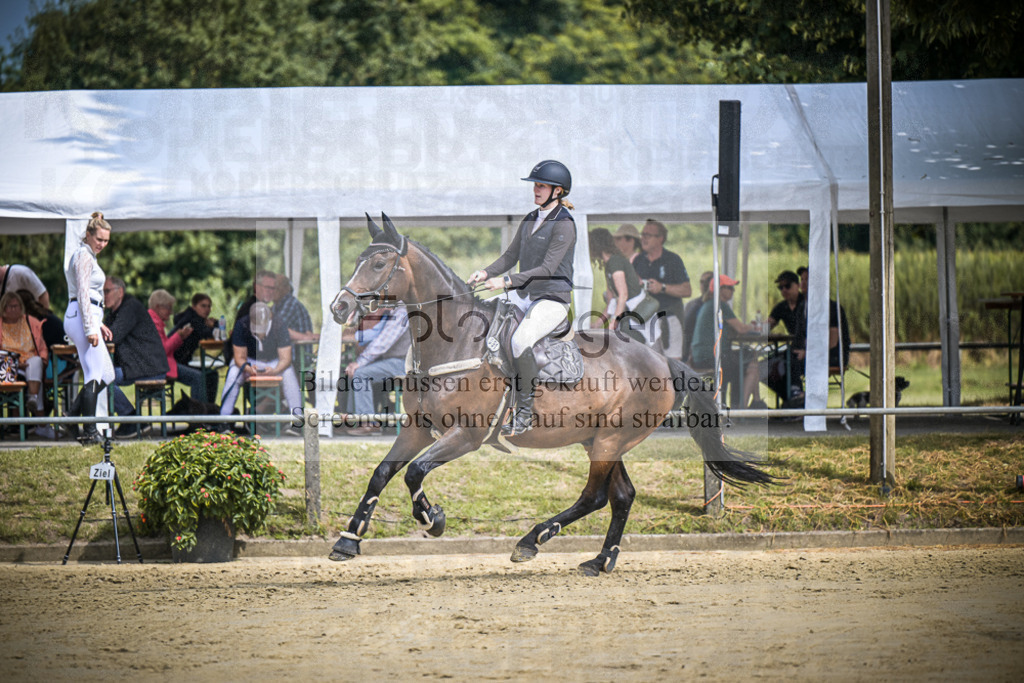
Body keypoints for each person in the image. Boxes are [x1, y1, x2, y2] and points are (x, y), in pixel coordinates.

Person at [467, 159, 576, 436]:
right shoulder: (530, 218)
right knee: (483, 324)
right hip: (525, 295)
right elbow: (510, 256)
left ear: (558, 191)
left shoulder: (564, 224)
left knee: (519, 340)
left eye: (541, 186)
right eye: (535, 185)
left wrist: (504, 281)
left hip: (552, 298)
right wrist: (484, 272)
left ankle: (525, 413)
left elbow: (547, 269)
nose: (536, 190)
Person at [62, 212, 116, 445]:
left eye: (106, 240)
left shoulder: (90, 256)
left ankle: (73, 418)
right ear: (88, 235)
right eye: (99, 239)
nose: (102, 244)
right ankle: (89, 431)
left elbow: (91, 296)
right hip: (81, 317)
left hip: (89, 316)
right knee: (94, 373)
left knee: (108, 374)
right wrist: (90, 327)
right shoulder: (83, 255)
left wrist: (99, 323)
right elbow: (83, 292)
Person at [103, 276, 170, 436]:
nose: (103, 295)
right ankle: (131, 420)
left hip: (149, 367)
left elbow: (112, 336)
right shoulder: (114, 312)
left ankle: (132, 420)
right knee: (101, 379)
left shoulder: (130, 307)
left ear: (120, 292)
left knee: (104, 380)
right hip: (137, 366)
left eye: (106, 291)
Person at [690, 275, 765, 410]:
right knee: (751, 365)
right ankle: (742, 409)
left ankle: (743, 405)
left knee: (743, 361)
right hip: (713, 357)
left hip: (701, 357)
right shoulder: (720, 304)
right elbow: (741, 328)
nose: (733, 291)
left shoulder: (708, 304)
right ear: (720, 289)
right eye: (730, 288)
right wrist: (756, 326)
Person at [219, 302, 302, 421]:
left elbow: (286, 358)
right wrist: (248, 369)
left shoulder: (279, 324)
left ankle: (297, 419)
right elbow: (239, 357)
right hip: (250, 360)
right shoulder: (242, 324)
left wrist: (275, 370)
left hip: (274, 361)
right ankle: (224, 418)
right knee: (233, 373)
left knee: (289, 373)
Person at [342, 306, 410, 437]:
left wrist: (359, 362)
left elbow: (383, 343)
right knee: (355, 371)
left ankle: (369, 424)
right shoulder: (395, 311)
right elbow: (377, 335)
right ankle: (351, 420)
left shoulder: (402, 312)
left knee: (360, 373)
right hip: (394, 360)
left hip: (403, 362)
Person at [633, 219, 691, 360]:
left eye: (648, 235)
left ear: (660, 239)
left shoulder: (672, 260)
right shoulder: (638, 260)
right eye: (642, 234)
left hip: (669, 319)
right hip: (647, 321)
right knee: (649, 365)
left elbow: (687, 290)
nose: (643, 238)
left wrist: (662, 287)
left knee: (672, 364)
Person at [589, 228, 657, 345]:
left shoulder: (615, 262)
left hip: (636, 316)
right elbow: (611, 301)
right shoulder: (609, 265)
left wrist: (614, 321)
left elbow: (623, 295)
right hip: (628, 315)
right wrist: (597, 324)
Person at [0, 291, 50, 435]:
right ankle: (41, 425)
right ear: (3, 308)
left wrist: (43, 359)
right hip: (7, 366)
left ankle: (32, 398)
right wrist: (14, 362)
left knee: (36, 363)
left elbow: (41, 346)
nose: (14, 309)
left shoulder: (31, 322)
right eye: (10, 306)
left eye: (16, 306)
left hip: (29, 364)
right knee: (35, 377)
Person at [148, 290, 206, 403]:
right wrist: (178, 336)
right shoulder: (153, 323)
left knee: (199, 376)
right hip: (160, 367)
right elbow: (163, 351)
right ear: (158, 307)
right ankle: (198, 414)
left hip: (159, 364)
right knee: (198, 377)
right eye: (168, 308)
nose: (171, 312)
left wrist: (181, 337)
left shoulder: (153, 320)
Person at [759, 270, 806, 401]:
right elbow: (766, 326)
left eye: (787, 286)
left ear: (797, 285)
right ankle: (789, 399)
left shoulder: (806, 303)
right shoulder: (781, 307)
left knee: (786, 361)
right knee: (763, 367)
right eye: (780, 288)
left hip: (805, 349)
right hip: (793, 349)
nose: (784, 290)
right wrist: (758, 327)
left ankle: (796, 393)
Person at [273, 274, 318, 343]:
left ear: (286, 288)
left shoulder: (291, 303)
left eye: (275, 287)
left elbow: (274, 328)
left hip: (296, 352)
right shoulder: (276, 306)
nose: (271, 291)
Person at [681, 270, 714, 364]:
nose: (705, 285)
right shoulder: (691, 305)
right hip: (692, 353)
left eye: (708, 281)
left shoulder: (715, 305)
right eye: (702, 282)